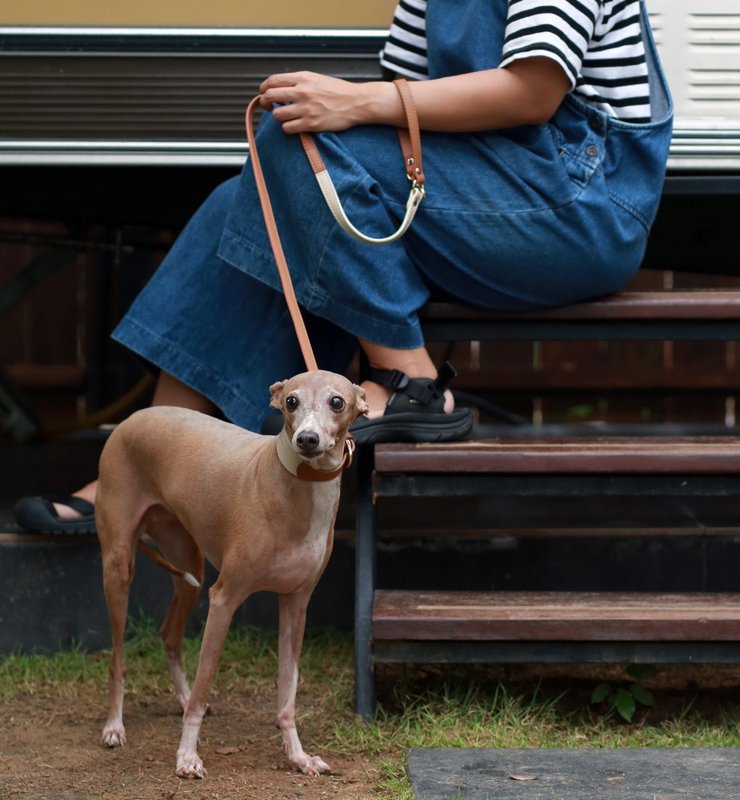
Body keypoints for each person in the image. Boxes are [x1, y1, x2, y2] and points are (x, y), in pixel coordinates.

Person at [14, 0, 673, 535]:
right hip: (492, 190)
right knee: (246, 200)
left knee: (299, 143)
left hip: (581, 203)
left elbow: (533, 91)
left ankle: (411, 382)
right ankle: (151, 469)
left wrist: (353, 105)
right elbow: (415, 99)